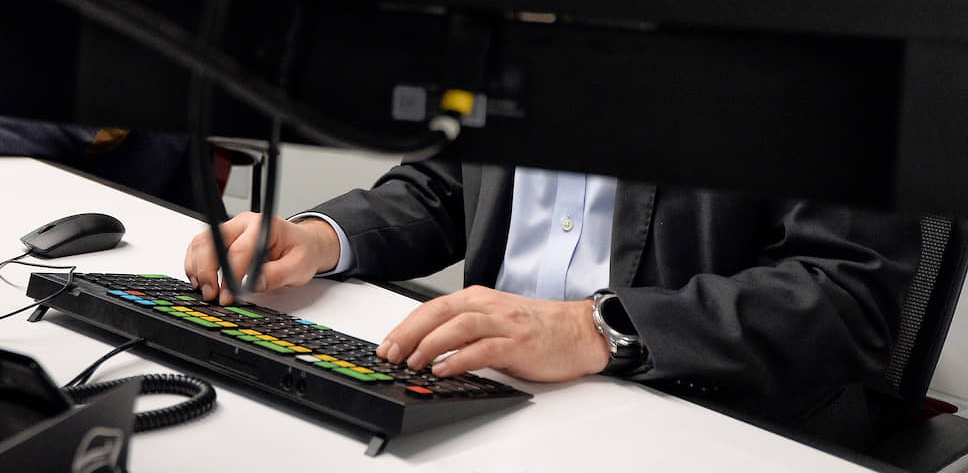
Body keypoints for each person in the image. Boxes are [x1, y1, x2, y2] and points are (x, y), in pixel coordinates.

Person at [184, 152, 921, 446]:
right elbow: (448, 184)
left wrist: (596, 329)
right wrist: (321, 236)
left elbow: (846, 296)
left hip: (699, 418)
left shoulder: (809, 18)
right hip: (485, 396)